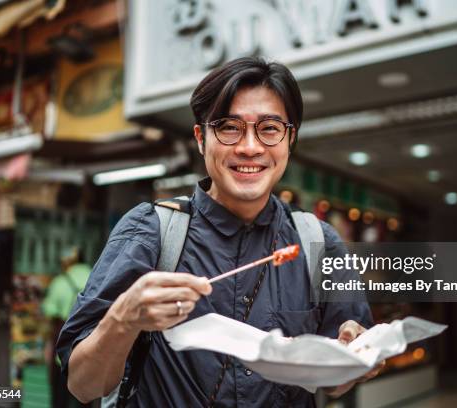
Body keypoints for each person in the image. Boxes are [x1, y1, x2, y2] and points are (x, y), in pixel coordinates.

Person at [57, 57, 381, 407]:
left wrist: (355, 360)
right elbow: (82, 384)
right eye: (229, 127)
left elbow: (336, 384)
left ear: (291, 139)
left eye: (270, 128)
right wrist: (125, 317)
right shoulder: (149, 231)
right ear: (201, 138)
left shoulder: (320, 244)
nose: (250, 147)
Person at [42, 246, 92, 408]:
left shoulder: (60, 281)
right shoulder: (97, 277)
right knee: (86, 400)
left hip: (64, 353)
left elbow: (51, 317)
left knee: (60, 400)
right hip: (92, 350)